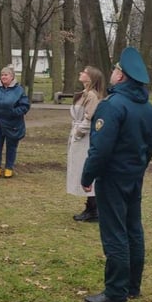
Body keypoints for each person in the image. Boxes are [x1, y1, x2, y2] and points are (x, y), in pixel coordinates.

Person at [81, 46, 152, 302]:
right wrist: (136, 169)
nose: (112, 72)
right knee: (133, 229)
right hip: (134, 177)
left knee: (115, 233)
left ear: (122, 77)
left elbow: (100, 149)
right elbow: (150, 147)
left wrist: (87, 175)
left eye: (115, 69)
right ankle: (132, 285)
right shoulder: (147, 108)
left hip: (112, 178)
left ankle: (115, 291)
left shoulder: (112, 106)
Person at [67, 66, 106, 222]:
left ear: (91, 77)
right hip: (78, 136)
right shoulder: (85, 94)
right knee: (80, 169)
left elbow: (89, 119)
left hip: (85, 139)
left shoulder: (92, 96)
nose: (81, 73)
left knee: (86, 169)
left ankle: (93, 208)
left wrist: (78, 133)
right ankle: (91, 206)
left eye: (84, 72)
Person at [0, 65, 30, 178]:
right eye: (2, 75)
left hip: (13, 125)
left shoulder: (19, 90)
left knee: (11, 146)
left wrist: (14, 112)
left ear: (12, 77)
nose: (3, 77)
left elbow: (25, 106)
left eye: (6, 75)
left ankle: (9, 168)